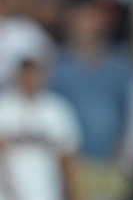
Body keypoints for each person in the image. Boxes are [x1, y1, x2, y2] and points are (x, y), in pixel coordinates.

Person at [0, 59, 82, 200]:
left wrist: (75, 194)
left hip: (48, 192)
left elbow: (69, 158)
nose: (31, 80)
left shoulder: (57, 109)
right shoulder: (4, 107)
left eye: (34, 75)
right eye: (27, 75)